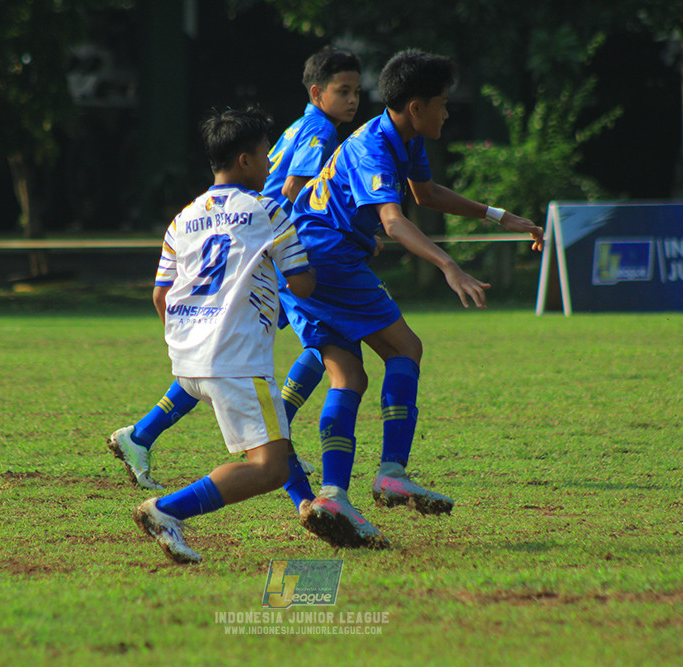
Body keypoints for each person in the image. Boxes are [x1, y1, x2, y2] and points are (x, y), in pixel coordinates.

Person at [279, 49, 544, 549]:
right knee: (406, 349)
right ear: (417, 106)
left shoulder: (404, 137)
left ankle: (334, 492)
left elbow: (424, 195)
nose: (447, 113)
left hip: (307, 256)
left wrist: (500, 216)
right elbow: (394, 221)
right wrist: (449, 265)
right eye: (442, 104)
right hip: (328, 257)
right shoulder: (374, 145)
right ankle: (391, 474)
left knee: (349, 374)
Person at [109, 47, 362, 497]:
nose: (354, 100)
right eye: (345, 91)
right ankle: (172, 503)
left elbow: (160, 295)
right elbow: (289, 193)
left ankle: (143, 435)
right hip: (269, 247)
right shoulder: (318, 135)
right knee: (324, 341)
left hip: (197, 331)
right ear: (317, 92)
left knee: (228, 355)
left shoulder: (184, 214)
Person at [122, 106, 315, 564]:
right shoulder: (268, 209)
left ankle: (310, 507)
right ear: (246, 161)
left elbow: (161, 295)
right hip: (237, 359)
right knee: (269, 466)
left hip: (188, 362)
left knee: (277, 443)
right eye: (266, 156)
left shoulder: (182, 219)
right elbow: (304, 283)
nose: (270, 165)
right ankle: (166, 510)